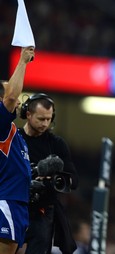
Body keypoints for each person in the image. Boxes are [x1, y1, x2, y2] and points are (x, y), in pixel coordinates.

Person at [17, 93, 79, 254]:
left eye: (48, 119)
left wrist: (51, 180)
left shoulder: (56, 144)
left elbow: (73, 180)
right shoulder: (14, 140)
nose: (45, 123)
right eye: (41, 119)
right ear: (28, 114)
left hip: (43, 212)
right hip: (14, 206)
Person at [0, 46, 35, 254]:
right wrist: (22, 61)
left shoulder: (16, 134)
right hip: (6, 202)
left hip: (16, 203)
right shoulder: (1, 122)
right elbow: (12, 97)